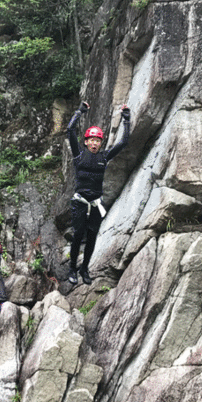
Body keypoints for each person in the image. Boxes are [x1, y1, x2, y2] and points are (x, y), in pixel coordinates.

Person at [67, 101, 130, 285]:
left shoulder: (104, 157)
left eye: (97, 140)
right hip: (79, 202)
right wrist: (79, 111)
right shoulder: (79, 154)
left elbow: (124, 142)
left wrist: (126, 118)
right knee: (78, 235)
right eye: (92, 140)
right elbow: (70, 131)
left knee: (92, 237)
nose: (94, 143)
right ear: (86, 142)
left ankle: (84, 268)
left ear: (100, 143)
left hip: (95, 204)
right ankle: (72, 268)